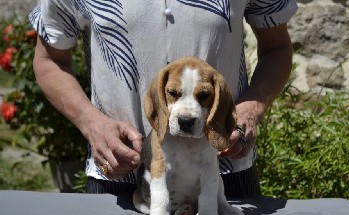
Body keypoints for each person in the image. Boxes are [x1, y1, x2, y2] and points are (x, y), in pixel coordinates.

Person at [30, 0, 298, 197]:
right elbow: (50, 61)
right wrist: (93, 124)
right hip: (119, 172)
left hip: (222, 173)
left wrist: (250, 109)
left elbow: (277, 47)